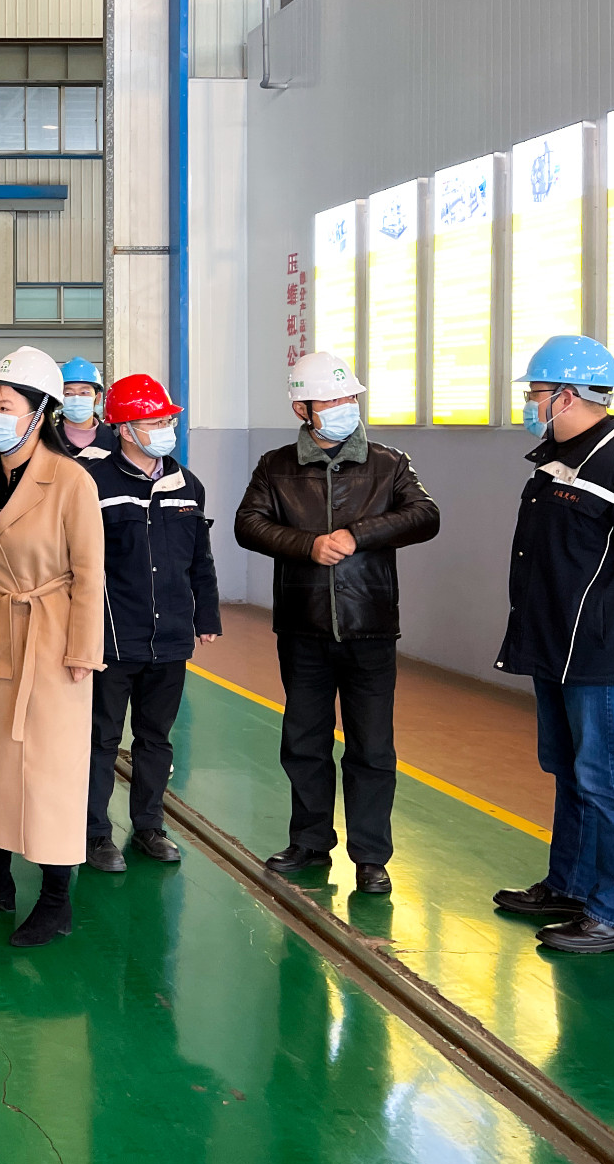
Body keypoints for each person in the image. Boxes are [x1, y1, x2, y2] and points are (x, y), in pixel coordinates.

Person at [234, 350, 439, 896]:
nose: (346, 406)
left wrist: (358, 535)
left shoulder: (389, 463)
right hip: (303, 627)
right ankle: (309, 842)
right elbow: (248, 524)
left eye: (350, 397)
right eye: (333, 399)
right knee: (304, 741)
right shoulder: (276, 466)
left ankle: (371, 856)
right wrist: (307, 545)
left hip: (370, 625)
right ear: (302, 408)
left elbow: (425, 515)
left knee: (372, 747)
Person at [493, 336, 614, 954]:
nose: (530, 404)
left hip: (598, 655)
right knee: (570, 771)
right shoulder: (559, 458)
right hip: (555, 645)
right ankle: (570, 887)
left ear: (567, 395)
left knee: (607, 780)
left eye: (535, 393)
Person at [0, 347, 104, 947]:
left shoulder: (71, 481)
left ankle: (57, 898)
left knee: (49, 767)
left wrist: (83, 649)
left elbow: (90, 573)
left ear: (40, 413)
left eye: (6, 405)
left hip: (52, 636)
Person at [78, 373, 221, 873]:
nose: (165, 430)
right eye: (154, 422)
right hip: (112, 638)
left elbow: (200, 558)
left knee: (155, 738)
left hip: (170, 638)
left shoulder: (187, 485)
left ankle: (149, 826)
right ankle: (95, 833)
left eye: (167, 421)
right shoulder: (92, 482)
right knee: (100, 739)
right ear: (124, 429)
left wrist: (207, 615)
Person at [56, 356, 121, 459]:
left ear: (98, 397)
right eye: (68, 393)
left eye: (84, 392)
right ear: (60, 398)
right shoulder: (47, 440)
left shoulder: (116, 439)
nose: (76, 398)